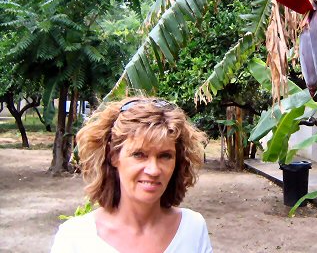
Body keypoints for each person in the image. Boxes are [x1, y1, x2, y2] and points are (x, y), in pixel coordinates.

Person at [51, 97, 212, 253]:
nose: (153, 170)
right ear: (113, 155)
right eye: (139, 154)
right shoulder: (75, 239)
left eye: (165, 156)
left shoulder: (192, 229)